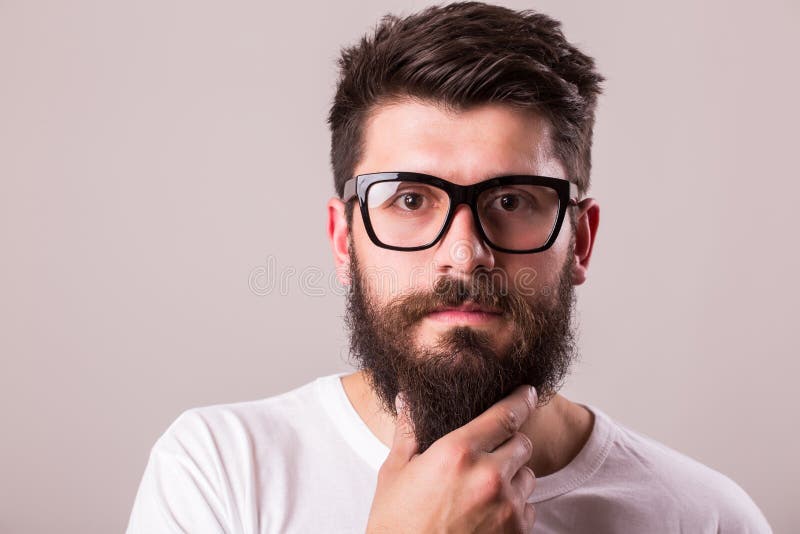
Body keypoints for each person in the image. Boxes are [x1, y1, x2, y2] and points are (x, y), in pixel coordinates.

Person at [126, 3, 772, 532]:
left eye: (512, 200)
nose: (464, 253)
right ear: (344, 239)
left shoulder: (707, 518)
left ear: (580, 240)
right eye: (410, 199)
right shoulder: (221, 470)